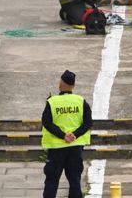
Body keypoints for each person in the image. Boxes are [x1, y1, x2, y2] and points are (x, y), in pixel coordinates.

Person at [41, 70, 92, 198]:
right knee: (74, 181)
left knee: (52, 181)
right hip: (75, 147)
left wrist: (63, 135)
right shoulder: (81, 101)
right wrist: (74, 134)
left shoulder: (52, 102)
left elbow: (46, 122)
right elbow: (88, 123)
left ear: (61, 84)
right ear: (73, 86)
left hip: (56, 148)